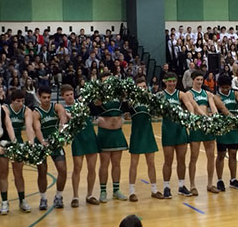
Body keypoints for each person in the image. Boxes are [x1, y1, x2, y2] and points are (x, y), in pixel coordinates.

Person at [0, 89, 35, 214]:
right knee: (3, 173)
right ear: (12, 101)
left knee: (19, 174)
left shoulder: (27, 111)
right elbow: (8, 126)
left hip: (17, 141)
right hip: (4, 142)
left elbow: (29, 127)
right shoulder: (5, 108)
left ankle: (22, 200)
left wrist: (31, 143)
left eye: (23, 101)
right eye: (18, 101)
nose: (21, 103)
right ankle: (4, 202)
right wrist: (14, 143)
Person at [60, 84, 100, 208]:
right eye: (67, 95)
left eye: (71, 94)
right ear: (63, 97)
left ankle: (89, 195)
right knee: (77, 167)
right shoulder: (62, 109)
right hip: (78, 139)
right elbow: (63, 124)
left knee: (92, 167)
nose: (70, 97)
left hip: (90, 136)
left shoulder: (81, 102)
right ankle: (75, 196)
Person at [92, 72, 128, 203]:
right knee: (104, 163)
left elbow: (126, 103)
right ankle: (103, 191)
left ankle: (116, 190)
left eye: (109, 80)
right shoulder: (98, 95)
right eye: (104, 81)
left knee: (117, 163)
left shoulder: (118, 94)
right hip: (105, 134)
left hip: (117, 133)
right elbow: (95, 104)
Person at [161, 71, 197, 198]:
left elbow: (189, 105)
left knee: (181, 159)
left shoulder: (180, 94)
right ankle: (166, 187)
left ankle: (181, 186)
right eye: (169, 81)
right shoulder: (161, 95)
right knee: (168, 160)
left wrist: (191, 115)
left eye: (174, 81)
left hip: (180, 129)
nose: (171, 84)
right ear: (165, 82)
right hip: (168, 129)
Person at [128, 77, 163, 202]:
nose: (142, 89)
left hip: (148, 134)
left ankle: (154, 189)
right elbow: (126, 114)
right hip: (136, 134)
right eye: (140, 87)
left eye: (144, 87)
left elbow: (158, 112)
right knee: (134, 164)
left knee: (151, 163)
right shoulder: (131, 101)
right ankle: (132, 191)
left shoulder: (150, 101)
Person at [33, 86, 68, 210]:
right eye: (44, 98)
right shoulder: (36, 112)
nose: (47, 100)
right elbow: (37, 129)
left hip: (55, 141)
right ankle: (43, 198)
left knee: (62, 169)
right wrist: (42, 141)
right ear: (39, 97)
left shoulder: (56, 106)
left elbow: (63, 116)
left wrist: (61, 127)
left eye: (48, 97)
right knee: (42, 172)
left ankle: (59, 196)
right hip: (41, 143)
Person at [187, 70, 219, 195]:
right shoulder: (189, 93)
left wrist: (216, 117)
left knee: (211, 156)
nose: (199, 82)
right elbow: (194, 106)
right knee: (194, 157)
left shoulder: (207, 93)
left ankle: (210, 184)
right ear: (193, 80)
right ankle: (192, 185)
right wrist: (205, 116)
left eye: (201, 80)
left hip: (208, 126)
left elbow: (213, 107)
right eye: (197, 80)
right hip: (197, 126)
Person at [213, 74, 238, 191]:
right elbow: (222, 110)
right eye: (224, 88)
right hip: (223, 129)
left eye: (228, 87)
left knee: (233, 154)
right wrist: (233, 118)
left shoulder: (235, 94)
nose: (226, 90)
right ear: (219, 86)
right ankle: (219, 180)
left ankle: (233, 179)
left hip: (234, 128)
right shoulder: (216, 97)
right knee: (221, 154)